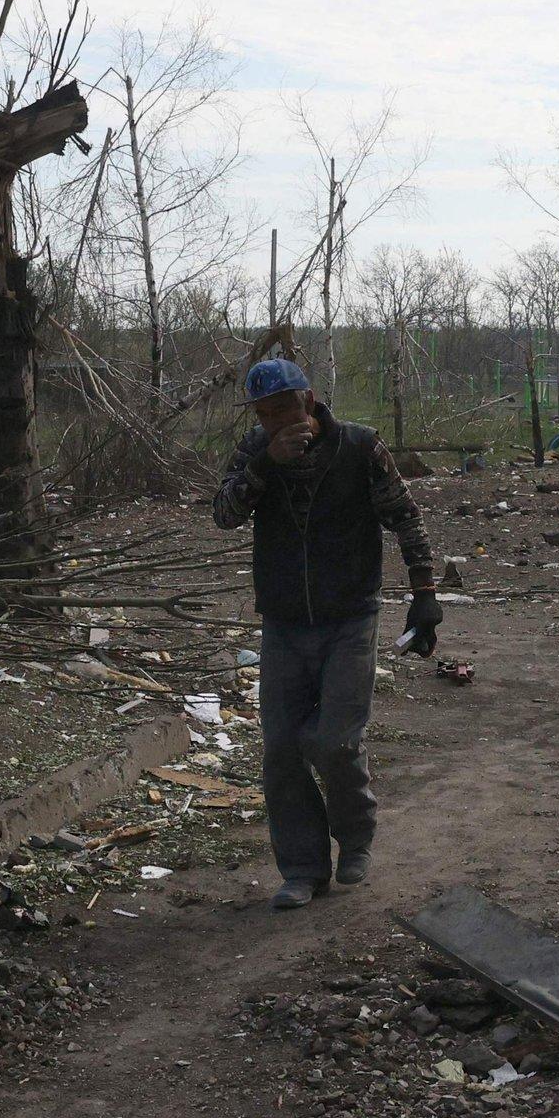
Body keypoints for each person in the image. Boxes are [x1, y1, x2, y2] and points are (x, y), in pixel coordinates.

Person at [213, 358, 441, 911]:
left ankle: (356, 836)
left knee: (335, 741)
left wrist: (424, 593)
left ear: (309, 401)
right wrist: (265, 465)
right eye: (265, 415)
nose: (276, 422)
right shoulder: (255, 453)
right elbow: (224, 515)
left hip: (350, 617)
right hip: (285, 621)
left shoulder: (360, 448)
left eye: (284, 410)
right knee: (283, 752)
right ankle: (302, 869)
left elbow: (404, 517)